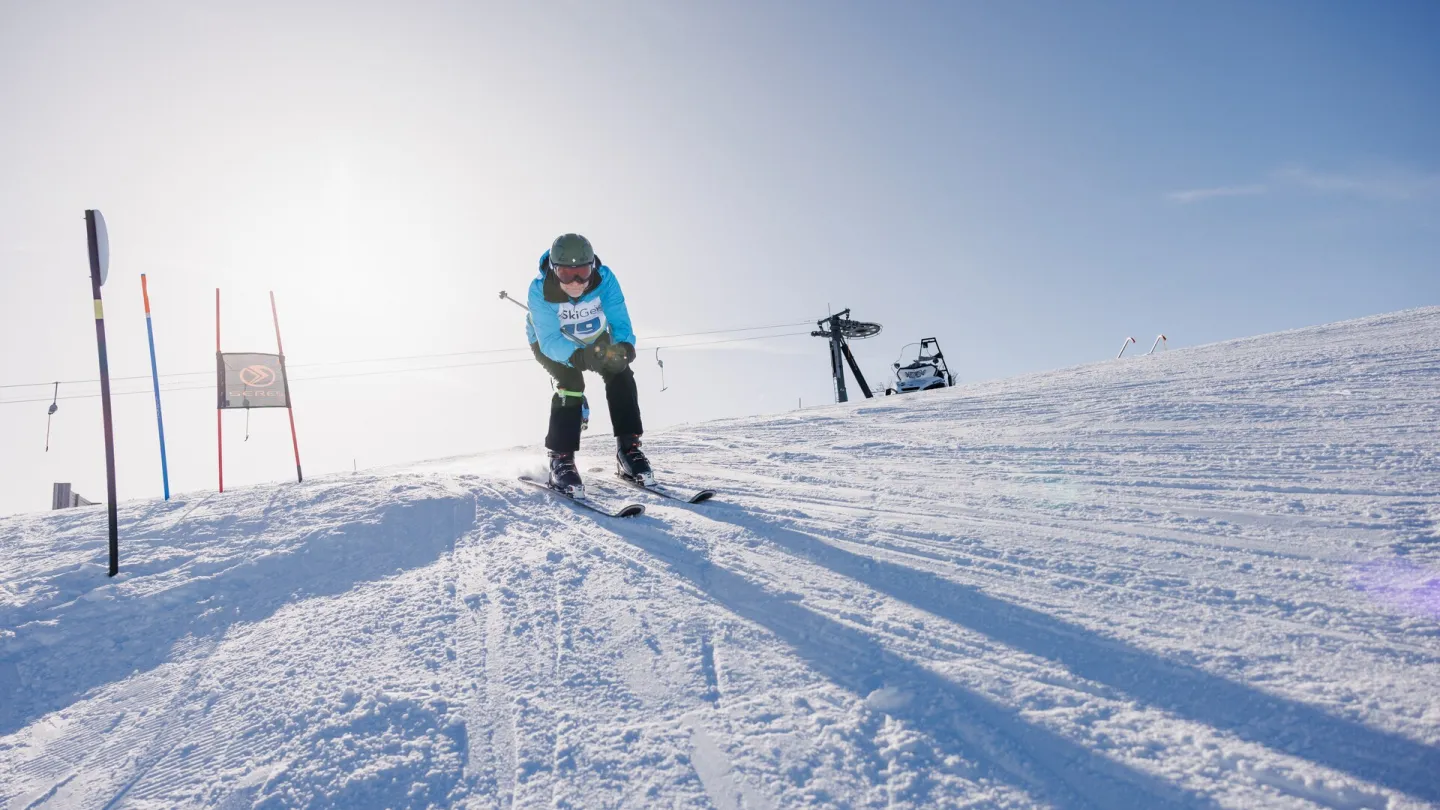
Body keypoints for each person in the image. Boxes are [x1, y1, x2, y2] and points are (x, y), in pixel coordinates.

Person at [526, 233, 653, 498]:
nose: (575, 282)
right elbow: (549, 340)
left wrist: (625, 346)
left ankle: (628, 450)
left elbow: (619, 318)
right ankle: (560, 459)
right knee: (572, 384)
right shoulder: (540, 290)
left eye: (582, 272)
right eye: (565, 273)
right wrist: (577, 357)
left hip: (596, 337)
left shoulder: (605, 280)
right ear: (553, 269)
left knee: (620, 372)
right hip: (552, 343)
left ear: (592, 267)